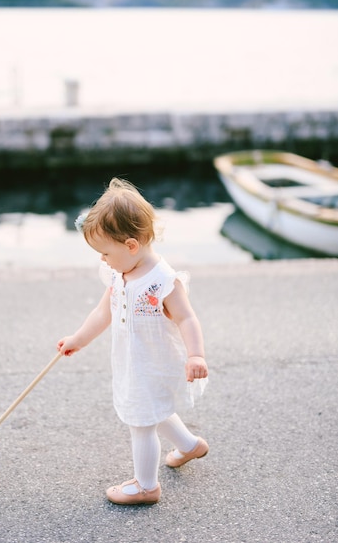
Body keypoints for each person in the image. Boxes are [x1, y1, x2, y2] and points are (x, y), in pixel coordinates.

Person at [57, 177, 209, 505]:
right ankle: (189, 445)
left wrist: (195, 355)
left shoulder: (162, 281)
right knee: (152, 409)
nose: (102, 260)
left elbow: (186, 317)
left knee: (141, 422)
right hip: (132, 362)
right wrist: (78, 339)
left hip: (155, 363)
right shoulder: (119, 272)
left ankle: (146, 486)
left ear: (130, 246)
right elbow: (103, 312)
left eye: (105, 252)